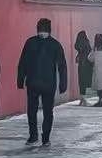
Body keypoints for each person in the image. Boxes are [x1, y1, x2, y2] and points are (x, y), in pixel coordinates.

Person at [16, 18, 68, 146]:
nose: (42, 33)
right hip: (45, 83)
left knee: (38, 111)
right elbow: (62, 66)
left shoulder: (32, 42)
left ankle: (38, 136)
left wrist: (21, 79)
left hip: (37, 82)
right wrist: (63, 84)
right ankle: (41, 137)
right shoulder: (54, 44)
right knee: (43, 111)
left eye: (43, 30)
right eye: (42, 30)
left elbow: (23, 63)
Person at [74, 30, 94, 106]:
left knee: (81, 82)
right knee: (87, 82)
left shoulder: (78, 45)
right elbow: (89, 54)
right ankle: (85, 100)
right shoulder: (86, 44)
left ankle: (82, 99)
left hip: (81, 65)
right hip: (87, 65)